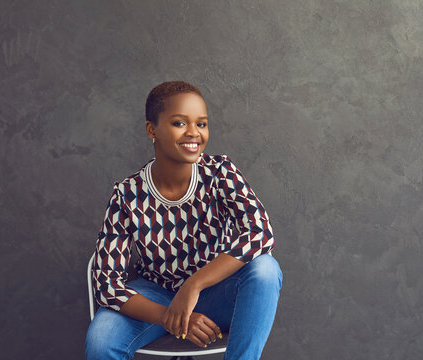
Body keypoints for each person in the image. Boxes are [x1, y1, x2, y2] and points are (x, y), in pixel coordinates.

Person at [85, 81, 283, 360]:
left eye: (201, 124)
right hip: (157, 294)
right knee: (101, 341)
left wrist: (194, 285)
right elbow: (106, 283)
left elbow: (261, 233)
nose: (194, 133)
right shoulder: (127, 195)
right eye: (180, 123)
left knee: (265, 268)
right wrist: (174, 315)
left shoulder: (220, 173)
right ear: (151, 130)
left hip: (217, 293)